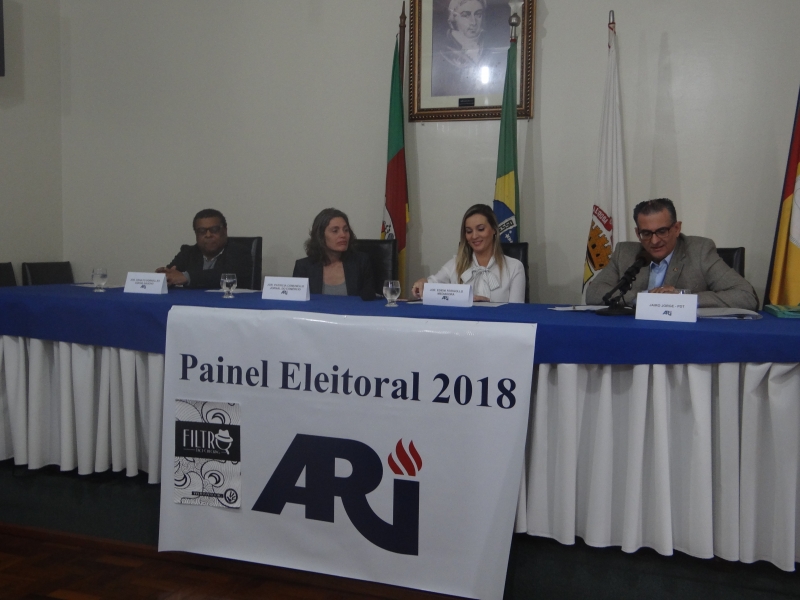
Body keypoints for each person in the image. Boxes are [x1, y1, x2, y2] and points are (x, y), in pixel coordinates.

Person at [585, 198, 759, 309]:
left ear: (676, 228)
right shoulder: (625, 252)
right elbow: (594, 293)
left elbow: (745, 296)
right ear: (638, 234)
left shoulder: (700, 250)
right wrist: (643, 299)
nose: (654, 241)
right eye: (646, 233)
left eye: (662, 231)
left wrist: (681, 298)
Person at [411, 203, 525, 302]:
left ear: (494, 230)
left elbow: (517, 313)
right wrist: (422, 282)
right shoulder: (455, 264)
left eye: (481, 229)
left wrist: (490, 306)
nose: (474, 236)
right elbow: (430, 285)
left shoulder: (514, 267)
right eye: (469, 231)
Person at [156, 209, 254, 289]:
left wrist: (186, 277)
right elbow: (172, 273)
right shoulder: (188, 252)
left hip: (230, 307)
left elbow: (225, 275)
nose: (208, 235)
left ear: (225, 231)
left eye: (214, 230)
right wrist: (165, 276)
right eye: (202, 231)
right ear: (196, 234)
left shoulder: (239, 251)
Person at [293, 208, 374, 297]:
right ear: (320, 236)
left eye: (346, 230)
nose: (343, 235)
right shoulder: (303, 267)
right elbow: (298, 304)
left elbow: (369, 301)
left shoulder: (361, 262)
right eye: (335, 231)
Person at [431, 0, 504, 97]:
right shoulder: (441, 52)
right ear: (453, 18)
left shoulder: (493, 48)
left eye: (478, 15)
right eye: (466, 15)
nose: (473, 22)